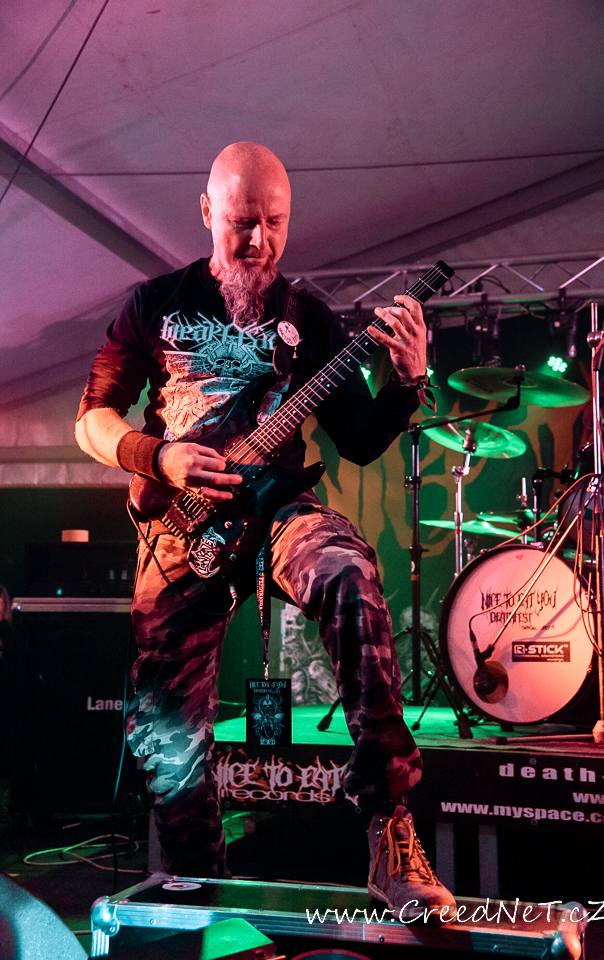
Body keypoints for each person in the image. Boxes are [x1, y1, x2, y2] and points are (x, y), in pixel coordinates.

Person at [75, 142, 455, 918]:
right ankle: (196, 889)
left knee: (345, 569)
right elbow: (92, 419)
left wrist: (407, 382)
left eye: (273, 223)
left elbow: (359, 440)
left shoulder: (309, 318)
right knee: (168, 737)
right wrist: (159, 455)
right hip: (180, 526)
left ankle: (388, 825)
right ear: (206, 212)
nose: (257, 240)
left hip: (277, 506)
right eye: (242, 222)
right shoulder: (154, 303)